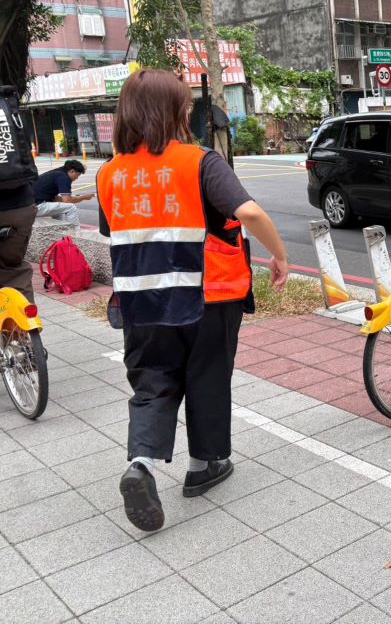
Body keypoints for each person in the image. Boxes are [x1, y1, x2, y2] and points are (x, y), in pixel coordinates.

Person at [97, 70, 289, 532]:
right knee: (206, 375)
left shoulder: (109, 173)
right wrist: (278, 255)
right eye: (184, 105)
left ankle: (140, 465)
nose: (188, 112)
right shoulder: (199, 161)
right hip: (209, 294)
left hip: (142, 302)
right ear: (170, 111)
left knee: (152, 382)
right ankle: (204, 467)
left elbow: (114, 231)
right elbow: (249, 212)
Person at [33, 159, 92, 227]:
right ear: (72, 171)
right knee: (71, 207)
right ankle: (75, 232)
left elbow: (59, 199)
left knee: (59, 207)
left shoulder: (57, 173)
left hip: (29, 206)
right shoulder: (64, 178)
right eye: (77, 175)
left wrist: (77, 197)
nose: (77, 178)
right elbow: (67, 201)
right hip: (36, 207)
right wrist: (83, 197)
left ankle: (59, 228)